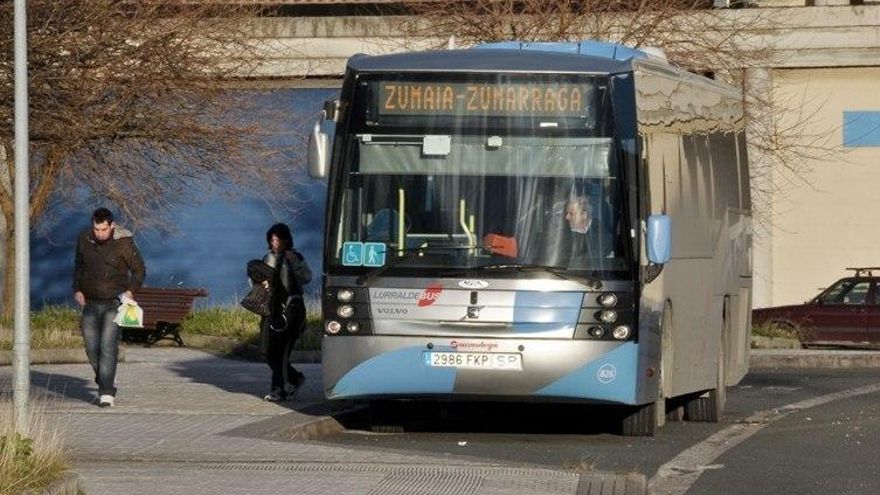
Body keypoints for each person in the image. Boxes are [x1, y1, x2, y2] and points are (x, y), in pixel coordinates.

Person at [73, 207, 146, 408]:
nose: (100, 234)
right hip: (90, 302)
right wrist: (77, 289)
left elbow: (139, 270)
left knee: (107, 346)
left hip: (113, 302)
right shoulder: (84, 240)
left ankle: (106, 392)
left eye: (104, 230)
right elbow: (78, 266)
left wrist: (131, 291)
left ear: (111, 226)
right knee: (91, 347)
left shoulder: (123, 243)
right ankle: (103, 379)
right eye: (96, 229)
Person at [259, 223, 312, 402]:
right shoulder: (268, 258)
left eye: (279, 239)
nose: (276, 243)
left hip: (292, 311)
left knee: (281, 352)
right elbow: (258, 280)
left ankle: (278, 390)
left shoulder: (295, 257)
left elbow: (306, 278)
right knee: (268, 353)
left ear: (286, 240)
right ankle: (295, 378)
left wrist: (294, 263)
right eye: (272, 240)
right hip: (272, 311)